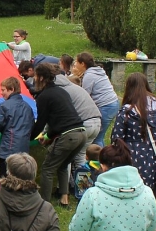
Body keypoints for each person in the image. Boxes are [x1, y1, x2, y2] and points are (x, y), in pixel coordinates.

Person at [111, 72, 156, 231]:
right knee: (150, 205)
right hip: (155, 161)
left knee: (128, 204)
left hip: (133, 163)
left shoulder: (127, 112)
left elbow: (116, 139)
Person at [29, 63, 88, 204]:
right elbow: (60, 119)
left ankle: (44, 203)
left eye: (36, 76)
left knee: (47, 169)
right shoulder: (61, 91)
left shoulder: (44, 96)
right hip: (81, 134)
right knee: (62, 165)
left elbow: (41, 123)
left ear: (41, 77)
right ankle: (64, 198)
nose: (34, 78)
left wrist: (27, 137)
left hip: (68, 136)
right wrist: (48, 136)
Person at [55, 69, 103, 205]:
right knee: (81, 157)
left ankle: (63, 188)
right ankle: (84, 190)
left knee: (67, 157)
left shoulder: (63, 92)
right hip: (96, 121)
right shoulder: (77, 89)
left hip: (84, 124)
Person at [0, 77, 35, 178]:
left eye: (3, 90)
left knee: (5, 179)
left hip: (8, 151)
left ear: (12, 89)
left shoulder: (3, 106)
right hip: (24, 151)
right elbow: (32, 125)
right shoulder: (28, 107)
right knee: (20, 177)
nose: (1, 93)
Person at [76, 53, 119, 147]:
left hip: (106, 106)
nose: (75, 64)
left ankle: (100, 158)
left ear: (82, 64)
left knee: (97, 137)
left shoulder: (89, 75)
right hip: (113, 103)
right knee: (98, 136)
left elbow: (85, 96)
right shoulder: (97, 71)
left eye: (77, 62)